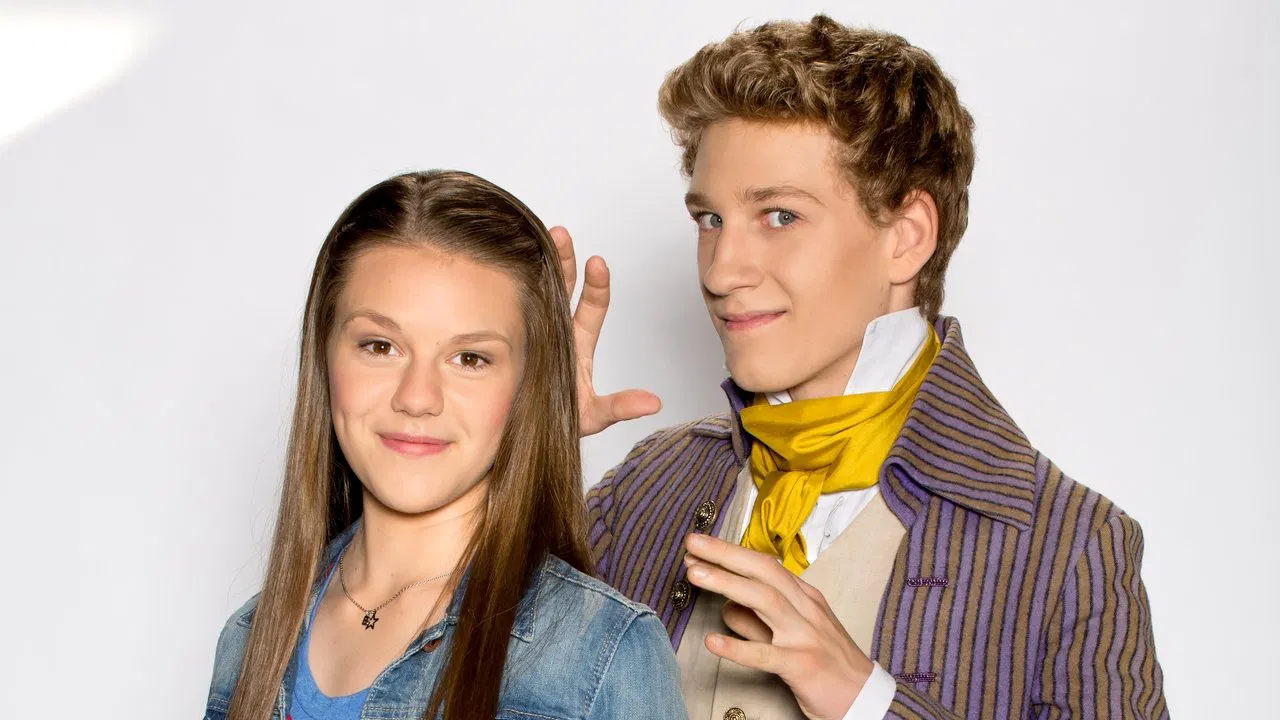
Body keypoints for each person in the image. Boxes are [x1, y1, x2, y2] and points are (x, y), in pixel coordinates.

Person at [562, 15, 1168, 720]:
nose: (722, 272)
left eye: (779, 217)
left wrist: (867, 702)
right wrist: (521, 449)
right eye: (710, 220)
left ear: (906, 238)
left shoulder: (1070, 546)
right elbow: (470, 674)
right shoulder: (646, 484)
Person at [203, 170, 686, 720]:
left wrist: (542, 421)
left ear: (527, 384)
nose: (416, 398)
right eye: (380, 346)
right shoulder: (248, 642)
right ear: (324, 356)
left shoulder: (605, 657)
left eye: (470, 359)